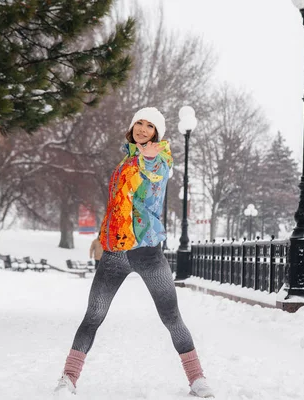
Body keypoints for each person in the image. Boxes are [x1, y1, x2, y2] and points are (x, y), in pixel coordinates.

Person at [54, 107, 214, 398]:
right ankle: (68, 378)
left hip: (147, 251)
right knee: (93, 315)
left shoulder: (160, 160)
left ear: (157, 133)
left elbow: (155, 180)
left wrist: (149, 159)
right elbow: (116, 204)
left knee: (171, 316)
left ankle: (197, 379)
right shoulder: (125, 161)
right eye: (138, 123)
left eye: (149, 126)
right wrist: (101, 237)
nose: (142, 129)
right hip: (115, 251)